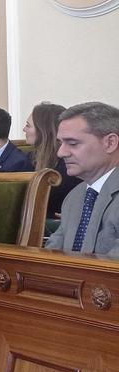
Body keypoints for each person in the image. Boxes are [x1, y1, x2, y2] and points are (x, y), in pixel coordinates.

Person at [44, 102, 119, 258]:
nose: (61, 152)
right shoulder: (74, 196)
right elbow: (52, 254)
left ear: (110, 143)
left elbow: (112, 269)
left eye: (72, 143)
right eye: (61, 143)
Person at [23, 102, 82, 217]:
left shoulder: (68, 166)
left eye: (28, 125)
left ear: (44, 130)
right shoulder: (29, 158)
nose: (24, 129)